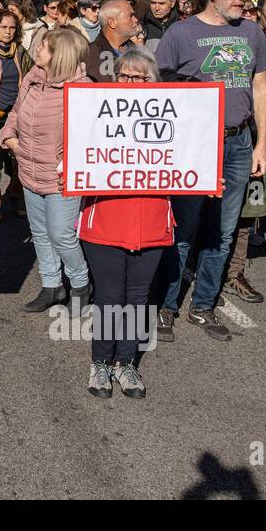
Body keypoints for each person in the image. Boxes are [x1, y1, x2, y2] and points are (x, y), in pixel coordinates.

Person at [155, 0, 266, 343]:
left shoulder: (252, 32)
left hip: (239, 143)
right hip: (194, 145)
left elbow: (260, 89)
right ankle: (166, 306)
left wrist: (261, 144)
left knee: (223, 232)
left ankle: (202, 306)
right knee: (184, 229)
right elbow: (158, 90)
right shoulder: (179, 33)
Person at [78, 48, 173, 399]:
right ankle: (100, 362)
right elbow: (76, 155)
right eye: (125, 76)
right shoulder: (94, 114)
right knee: (109, 296)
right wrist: (65, 172)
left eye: (140, 77)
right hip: (106, 218)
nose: (132, 83)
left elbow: (190, 159)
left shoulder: (172, 121)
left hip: (150, 221)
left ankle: (126, 362)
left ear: (154, 82)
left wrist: (207, 179)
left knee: (137, 297)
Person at [1, 26, 92, 312]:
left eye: (43, 47)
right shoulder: (32, 78)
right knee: (39, 231)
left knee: (61, 234)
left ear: (58, 55)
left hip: (60, 177)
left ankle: (80, 283)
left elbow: (87, 136)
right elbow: (16, 111)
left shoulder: (82, 89)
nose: (37, 49)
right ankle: (51, 285)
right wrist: (10, 136)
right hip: (28, 169)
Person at [0, 8, 28, 220]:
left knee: (17, 158)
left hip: (15, 114)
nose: (8, 31)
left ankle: (16, 194)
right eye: (3, 27)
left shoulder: (20, 52)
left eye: (12, 27)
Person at [87, 0, 140, 83]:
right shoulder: (90, 55)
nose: (136, 20)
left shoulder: (138, 51)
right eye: (130, 16)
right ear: (112, 23)